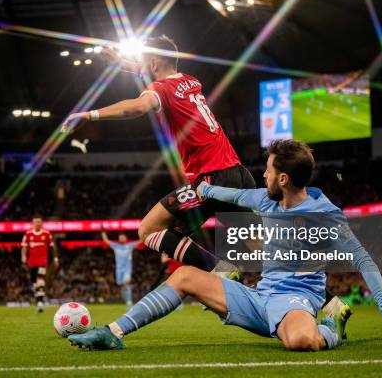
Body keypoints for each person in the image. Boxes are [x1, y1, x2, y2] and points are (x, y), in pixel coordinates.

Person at [68, 140, 382, 351]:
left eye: (267, 171)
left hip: (297, 300)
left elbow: (364, 261)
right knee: (186, 275)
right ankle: (114, 332)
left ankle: (331, 327)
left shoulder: (326, 215)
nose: (262, 176)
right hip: (260, 297)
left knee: (301, 342)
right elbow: (227, 192)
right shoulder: (265, 200)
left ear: (283, 178)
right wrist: (201, 189)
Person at [61, 35, 255, 276]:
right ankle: (305, 280)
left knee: (149, 230)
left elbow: (137, 107)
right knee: (255, 245)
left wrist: (90, 115)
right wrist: (119, 62)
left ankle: (220, 271)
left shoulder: (160, 89)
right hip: (238, 174)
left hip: (211, 179)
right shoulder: (190, 81)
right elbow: (148, 69)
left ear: (153, 63)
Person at [21, 216, 58, 313]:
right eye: (35, 222)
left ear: (41, 223)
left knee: (40, 279)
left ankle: (40, 303)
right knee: (34, 282)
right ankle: (38, 299)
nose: (37, 223)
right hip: (32, 263)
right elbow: (24, 247)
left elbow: (52, 247)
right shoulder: (28, 234)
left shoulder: (46, 234)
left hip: (42, 262)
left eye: (39, 222)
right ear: (33, 223)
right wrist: (23, 256)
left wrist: (55, 258)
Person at [101, 230, 139, 308]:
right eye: (120, 237)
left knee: (126, 283)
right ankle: (126, 300)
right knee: (121, 285)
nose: (121, 238)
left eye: (122, 237)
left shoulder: (130, 245)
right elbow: (106, 241)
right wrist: (103, 232)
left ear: (126, 238)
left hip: (127, 269)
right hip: (119, 270)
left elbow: (141, 240)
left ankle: (129, 302)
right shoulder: (116, 246)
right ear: (118, 239)